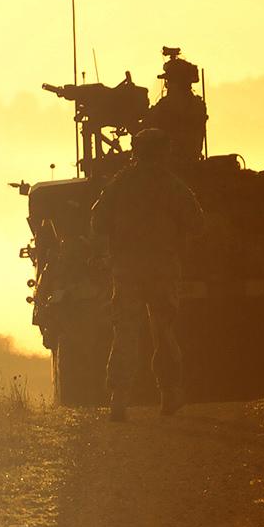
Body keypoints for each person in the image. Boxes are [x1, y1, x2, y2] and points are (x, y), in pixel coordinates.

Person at [90, 128, 204, 421]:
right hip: (162, 268)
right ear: (163, 152)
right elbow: (196, 221)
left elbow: (97, 221)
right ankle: (169, 394)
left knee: (125, 330)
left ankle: (119, 398)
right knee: (163, 331)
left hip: (127, 267)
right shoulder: (171, 184)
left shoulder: (120, 183)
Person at [143, 47, 207, 161]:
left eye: (168, 81)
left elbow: (145, 128)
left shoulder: (166, 105)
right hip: (193, 160)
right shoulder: (198, 104)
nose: (167, 85)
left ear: (175, 81)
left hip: (170, 163)